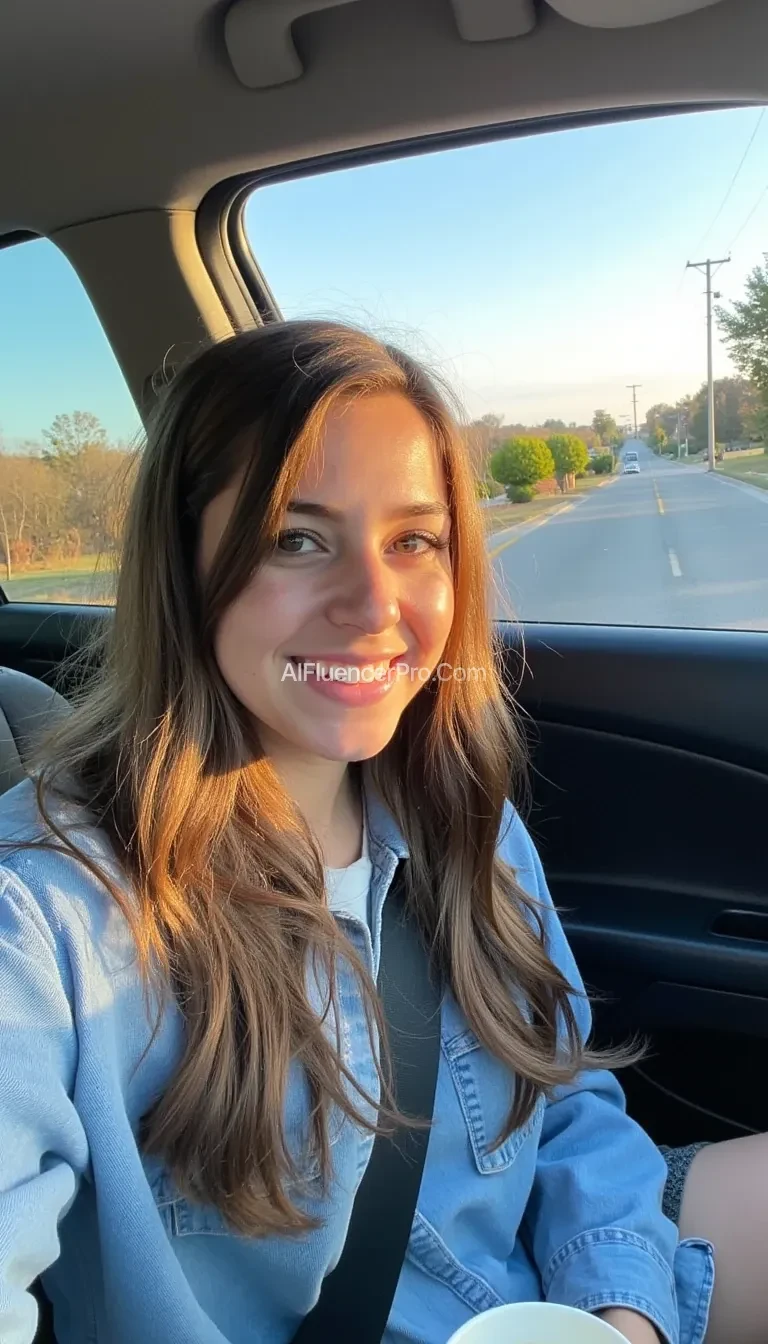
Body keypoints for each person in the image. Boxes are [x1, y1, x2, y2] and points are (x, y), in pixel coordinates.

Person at [0, 320, 762, 1344]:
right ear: (186, 565)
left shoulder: (459, 816)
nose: (373, 606)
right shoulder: (47, 916)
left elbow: (566, 1097)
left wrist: (623, 1311)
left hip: (543, 1277)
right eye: (297, 539)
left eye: (414, 540)